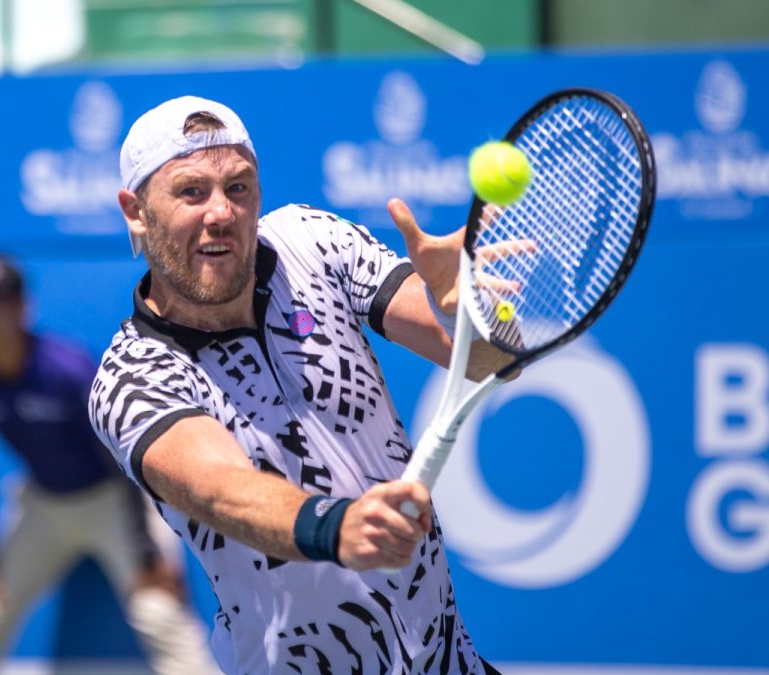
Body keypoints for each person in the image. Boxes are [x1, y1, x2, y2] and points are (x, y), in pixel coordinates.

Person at [88, 96, 517, 673]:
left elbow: (486, 361)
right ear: (136, 212)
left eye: (238, 188)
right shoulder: (130, 376)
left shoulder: (312, 243)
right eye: (191, 192)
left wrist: (466, 316)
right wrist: (337, 526)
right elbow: (221, 489)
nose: (221, 212)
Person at [0, 251, 220, 675]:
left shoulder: (66, 370)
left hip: (114, 499)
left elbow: (119, 456)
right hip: (41, 503)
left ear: (21, 307)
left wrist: (146, 549)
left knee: (159, 612)